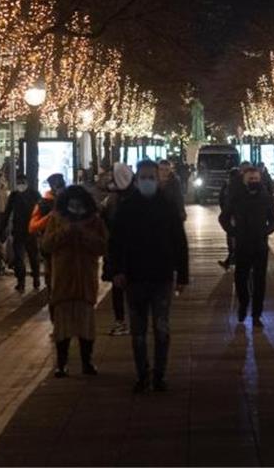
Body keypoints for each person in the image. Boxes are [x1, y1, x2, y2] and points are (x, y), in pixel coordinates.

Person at [110, 160, 189, 394]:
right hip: (134, 277)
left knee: (161, 328)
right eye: (143, 177)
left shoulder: (167, 206)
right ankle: (142, 374)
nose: (147, 181)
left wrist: (182, 274)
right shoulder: (127, 207)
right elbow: (115, 242)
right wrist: (117, 271)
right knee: (138, 332)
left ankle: (159, 374)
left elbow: (179, 242)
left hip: (162, 276)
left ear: (158, 179)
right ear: (137, 179)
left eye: (151, 177)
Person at [42, 185, 109, 377]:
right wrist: (66, 233)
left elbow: (103, 246)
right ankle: (61, 363)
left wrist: (84, 235)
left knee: (86, 325)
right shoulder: (56, 219)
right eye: (72, 203)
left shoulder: (94, 221)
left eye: (79, 203)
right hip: (62, 280)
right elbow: (46, 245)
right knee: (62, 326)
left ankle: (87, 362)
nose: (75, 207)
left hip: (86, 281)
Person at [221, 167, 274, 327]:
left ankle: (256, 314)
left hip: (260, 245)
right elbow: (224, 217)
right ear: (244, 180)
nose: (253, 181)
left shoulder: (265, 198)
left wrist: (265, 231)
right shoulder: (237, 198)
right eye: (250, 179)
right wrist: (233, 231)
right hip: (242, 244)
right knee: (241, 277)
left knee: (260, 280)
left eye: (256, 178)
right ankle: (243, 303)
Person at [101, 163, 134, 336]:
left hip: (118, 250)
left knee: (119, 288)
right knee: (125, 288)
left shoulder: (113, 199)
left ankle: (122, 321)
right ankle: (127, 320)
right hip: (124, 251)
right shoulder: (129, 196)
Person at [3, 173, 41, 292]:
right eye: (19, 182)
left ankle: (35, 278)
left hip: (30, 230)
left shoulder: (34, 194)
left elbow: (41, 210)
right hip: (19, 230)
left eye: (22, 182)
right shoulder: (14, 196)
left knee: (33, 256)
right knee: (19, 257)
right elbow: (7, 212)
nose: (20, 185)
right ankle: (21, 281)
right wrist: (2, 227)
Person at [29, 173, 67, 291]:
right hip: (50, 245)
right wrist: (50, 217)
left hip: (67, 247)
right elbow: (32, 226)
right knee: (52, 277)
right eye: (57, 186)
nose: (60, 189)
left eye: (61, 185)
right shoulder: (43, 204)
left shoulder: (70, 201)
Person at [216, 167, 243, 270]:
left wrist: (224, 210)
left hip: (232, 217)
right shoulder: (239, 186)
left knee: (232, 239)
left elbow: (221, 199)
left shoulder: (228, 186)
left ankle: (230, 260)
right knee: (234, 240)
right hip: (234, 216)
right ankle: (231, 260)